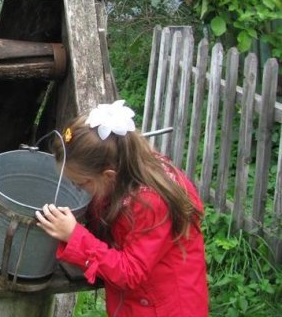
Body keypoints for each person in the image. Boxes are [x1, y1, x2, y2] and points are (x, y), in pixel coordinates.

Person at [35, 100, 208, 317]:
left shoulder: (152, 204)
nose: (78, 189)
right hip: (138, 304)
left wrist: (75, 235)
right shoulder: (124, 171)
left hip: (165, 309)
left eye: (81, 184)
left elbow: (130, 273)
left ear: (108, 175)